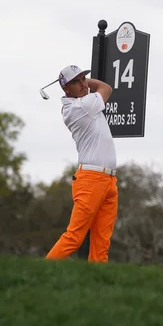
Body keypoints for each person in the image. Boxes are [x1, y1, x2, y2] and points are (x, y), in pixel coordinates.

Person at [45, 64, 118, 263]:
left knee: (102, 241)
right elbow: (106, 88)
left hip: (108, 180)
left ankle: (95, 286)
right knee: (74, 237)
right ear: (66, 89)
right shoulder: (81, 106)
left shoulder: (82, 102)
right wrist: (90, 81)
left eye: (83, 79)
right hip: (91, 180)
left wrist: (82, 81)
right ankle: (42, 273)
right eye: (76, 82)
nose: (83, 84)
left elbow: (98, 89)